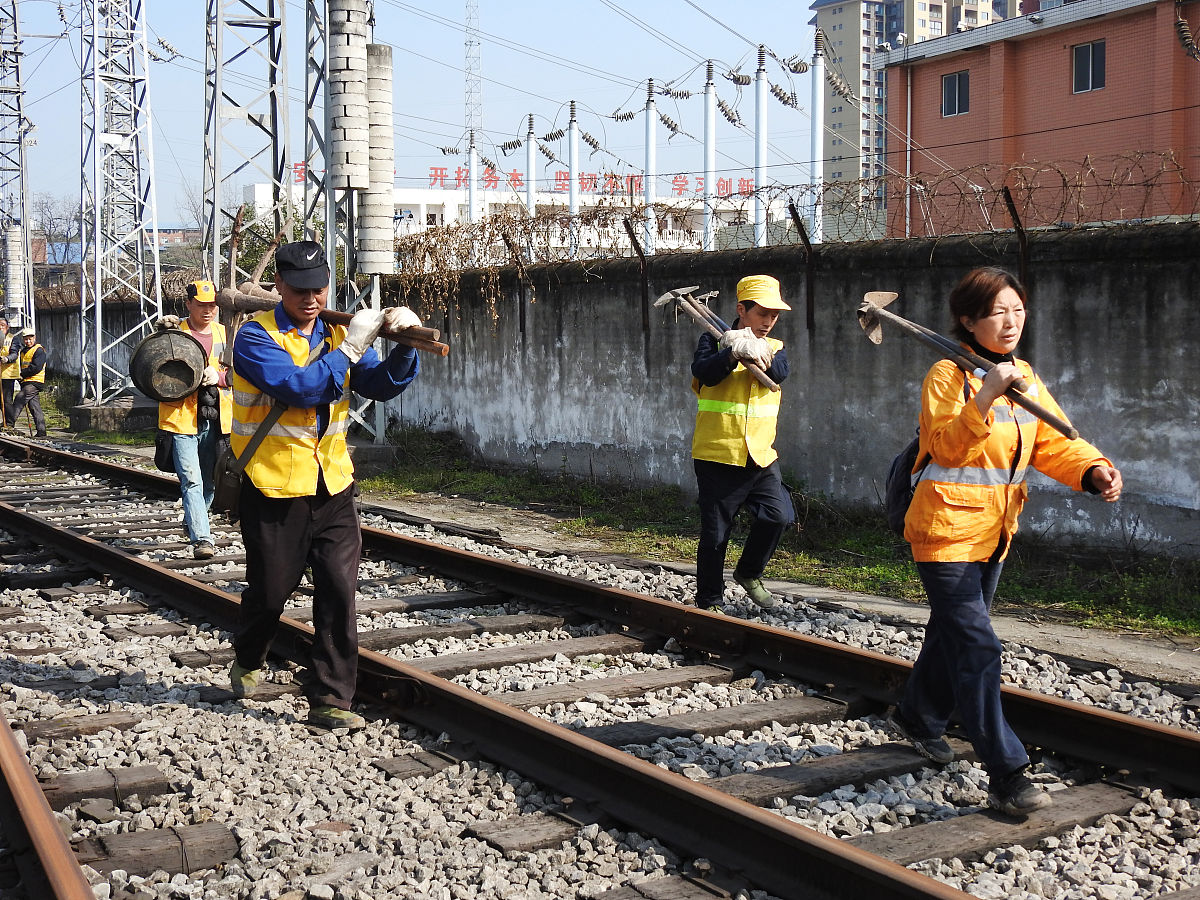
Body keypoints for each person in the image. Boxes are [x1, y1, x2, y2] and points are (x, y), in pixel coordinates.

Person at [887, 266, 1123, 817]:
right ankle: (1008, 773)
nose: (1011, 321)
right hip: (944, 531)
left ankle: (917, 717)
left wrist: (1093, 471)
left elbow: (1054, 442)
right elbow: (946, 447)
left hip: (994, 533)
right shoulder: (949, 376)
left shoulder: (1024, 376)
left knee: (954, 634)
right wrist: (984, 398)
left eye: (1017, 309)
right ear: (968, 320)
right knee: (978, 647)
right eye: (997, 312)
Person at [227, 239, 422, 731]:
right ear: (279, 286)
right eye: (299, 289)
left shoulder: (337, 334)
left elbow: (379, 386)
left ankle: (331, 698)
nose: (310, 299)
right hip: (273, 487)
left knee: (339, 590)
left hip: (332, 484)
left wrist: (401, 342)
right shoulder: (256, 338)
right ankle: (249, 654)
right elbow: (301, 389)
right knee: (271, 593)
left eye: (318, 289)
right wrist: (354, 345)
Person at [690, 274, 794, 610]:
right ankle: (709, 601)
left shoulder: (775, 348)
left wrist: (757, 350)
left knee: (778, 516)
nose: (768, 321)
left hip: (760, 456)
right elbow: (704, 372)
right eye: (762, 313)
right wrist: (731, 352)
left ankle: (748, 573)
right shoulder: (713, 340)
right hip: (719, 454)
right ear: (741, 310)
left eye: (774, 315)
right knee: (717, 535)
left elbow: (777, 374)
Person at [156, 280, 232, 560]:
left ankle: (193, 519)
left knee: (210, 480)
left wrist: (221, 377)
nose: (208, 310)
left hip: (217, 417)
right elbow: (151, 364)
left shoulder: (227, 334)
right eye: (201, 305)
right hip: (181, 417)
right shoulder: (175, 333)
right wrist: (161, 333)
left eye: (212, 305)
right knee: (191, 479)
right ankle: (203, 537)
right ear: (188, 304)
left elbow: (240, 373)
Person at [11, 329, 47, 437]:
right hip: (26, 382)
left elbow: (36, 368)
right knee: (34, 406)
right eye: (26, 339)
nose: (28, 341)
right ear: (23, 340)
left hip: (35, 381)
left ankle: (9, 423)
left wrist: (22, 374)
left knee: (19, 398)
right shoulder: (22, 352)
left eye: (30, 339)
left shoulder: (39, 350)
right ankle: (41, 432)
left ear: (34, 338)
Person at [0, 318, 19, 427]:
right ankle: (4, 421)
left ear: (7, 327)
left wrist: (7, 359)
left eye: (2, 325)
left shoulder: (13, 339)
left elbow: (14, 353)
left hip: (8, 374)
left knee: (7, 400)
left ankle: (10, 423)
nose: (0, 327)